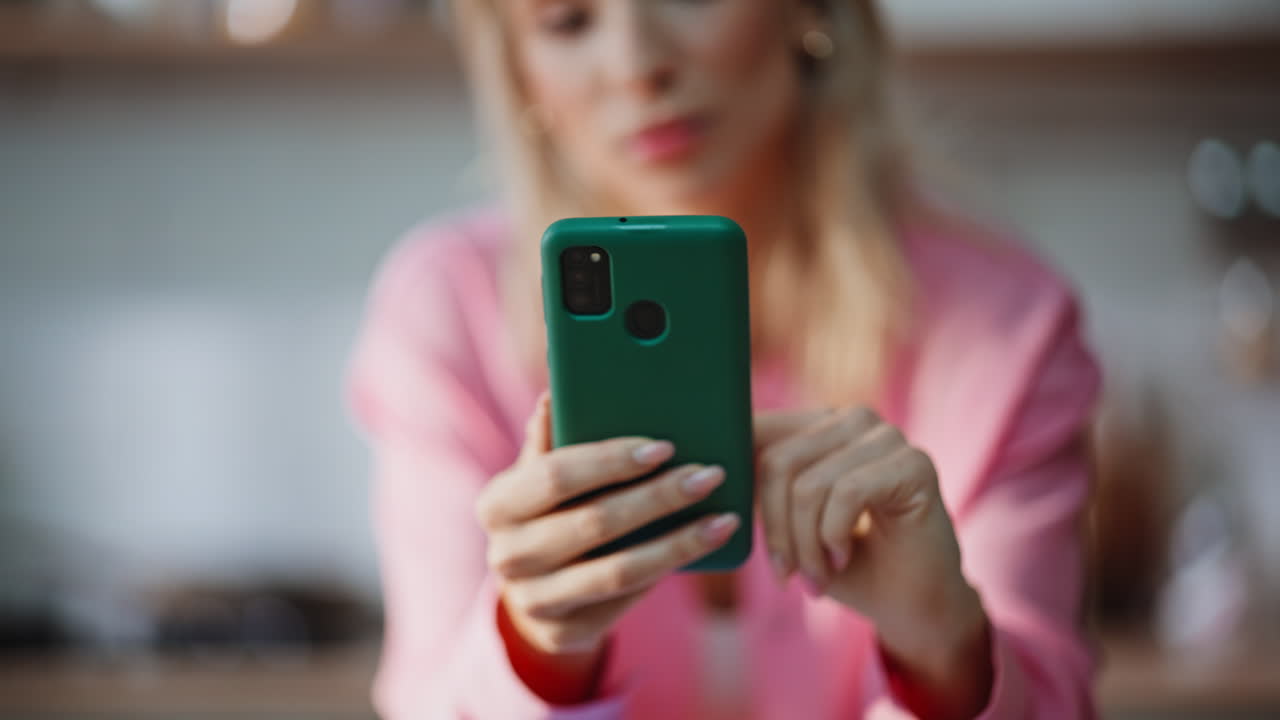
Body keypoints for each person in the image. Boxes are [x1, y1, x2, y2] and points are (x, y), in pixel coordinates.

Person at [344, 0, 1103, 717]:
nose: (637, 65)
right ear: (519, 73)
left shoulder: (1007, 326)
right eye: (568, 20)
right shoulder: (448, 310)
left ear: (808, 8)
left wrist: (945, 646)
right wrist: (538, 647)